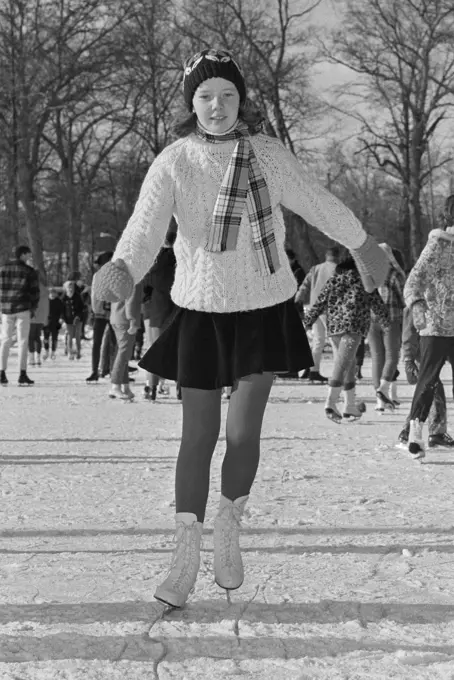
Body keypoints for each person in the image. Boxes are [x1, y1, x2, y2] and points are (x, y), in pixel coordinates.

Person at [93, 48, 389, 609]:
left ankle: (228, 533)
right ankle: (185, 557)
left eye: (227, 95)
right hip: (200, 309)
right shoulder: (175, 160)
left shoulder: (268, 156)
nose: (217, 105)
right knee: (197, 437)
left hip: (262, 306)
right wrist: (123, 267)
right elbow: (146, 225)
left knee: (243, 434)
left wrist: (360, 241)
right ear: (191, 104)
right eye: (205, 96)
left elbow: (315, 201)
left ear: (241, 101)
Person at [304, 254, 389, 422]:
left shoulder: (334, 279)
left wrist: (308, 321)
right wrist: (387, 320)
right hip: (354, 326)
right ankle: (330, 403)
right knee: (342, 364)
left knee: (347, 364)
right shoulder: (365, 280)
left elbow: (320, 301)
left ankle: (349, 405)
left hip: (334, 328)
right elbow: (376, 302)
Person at [403, 195, 454, 458]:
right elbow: (413, 281)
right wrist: (417, 304)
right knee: (428, 382)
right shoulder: (438, 244)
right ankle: (414, 435)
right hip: (435, 326)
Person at [397, 306, 454, 450]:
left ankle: (432, 432)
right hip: (420, 350)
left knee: (433, 389)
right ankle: (413, 430)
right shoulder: (416, 302)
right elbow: (408, 333)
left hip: (440, 342)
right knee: (430, 387)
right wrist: (409, 359)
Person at [368, 243, 406, 412]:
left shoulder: (368, 274)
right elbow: (404, 297)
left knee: (377, 358)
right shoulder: (393, 274)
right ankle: (383, 388)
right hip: (391, 319)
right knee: (392, 356)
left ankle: (380, 403)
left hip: (371, 320)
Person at [294, 246, 340, 383]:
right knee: (335, 340)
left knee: (318, 341)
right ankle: (339, 372)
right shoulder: (338, 269)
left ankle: (313, 371)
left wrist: (298, 297)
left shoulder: (316, 268)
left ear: (326, 256)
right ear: (337, 256)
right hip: (330, 308)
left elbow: (305, 284)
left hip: (314, 307)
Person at [141, 227, 177, 401]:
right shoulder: (182, 260)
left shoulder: (154, 262)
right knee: (178, 349)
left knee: (155, 350)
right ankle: (181, 387)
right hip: (178, 309)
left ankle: (151, 387)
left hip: (157, 309)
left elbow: (145, 286)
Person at [0, 245, 40, 386]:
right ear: (22, 255)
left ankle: (1, 373)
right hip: (23, 308)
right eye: (28, 254)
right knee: (23, 341)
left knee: (5, 340)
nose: (29, 257)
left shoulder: (3, 269)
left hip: (6, 308)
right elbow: (35, 292)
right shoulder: (29, 271)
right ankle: (22, 374)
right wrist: (33, 307)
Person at [108, 282, 143, 400]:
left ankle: (125, 387)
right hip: (125, 320)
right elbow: (131, 301)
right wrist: (133, 320)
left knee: (123, 353)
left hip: (116, 317)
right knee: (124, 353)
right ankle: (115, 385)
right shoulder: (134, 280)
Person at [86, 252, 116, 383]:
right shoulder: (99, 276)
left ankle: (113, 370)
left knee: (112, 343)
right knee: (101, 343)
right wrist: (97, 310)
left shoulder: (105, 275)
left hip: (107, 312)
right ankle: (96, 370)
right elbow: (96, 295)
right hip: (104, 312)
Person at [28, 277, 49, 367]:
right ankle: (38, 359)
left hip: (31, 317)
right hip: (41, 318)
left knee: (30, 338)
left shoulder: (30, 289)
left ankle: (31, 359)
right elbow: (47, 305)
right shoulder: (44, 289)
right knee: (37, 337)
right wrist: (46, 318)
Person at [61, 280, 85, 359]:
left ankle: (78, 352)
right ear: (66, 288)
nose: (70, 288)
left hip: (78, 319)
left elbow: (82, 308)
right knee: (70, 337)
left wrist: (78, 316)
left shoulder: (77, 296)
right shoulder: (63, 298)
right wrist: (63, 319)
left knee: (78, 336)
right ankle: (70, 352)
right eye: (69, 287)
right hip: (68, 321)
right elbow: (61, 310)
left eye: (72, 287)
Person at [43, 288, 64, 359]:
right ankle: (46, 351)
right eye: (51, 293)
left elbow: (62, 311)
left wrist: (61, 318)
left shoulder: (58, 301)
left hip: (55, 323)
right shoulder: (46, 301)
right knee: (46, 338)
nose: (52, 294)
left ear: (56, 294)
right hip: (46, 323)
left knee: (54, 339)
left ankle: (53, 352)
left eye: (53, 293)